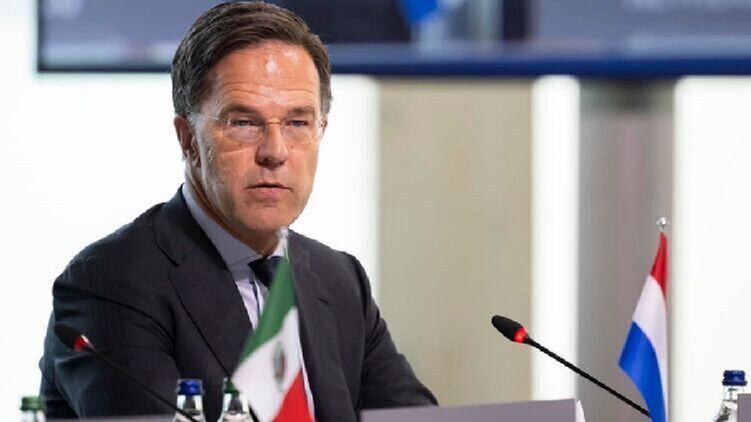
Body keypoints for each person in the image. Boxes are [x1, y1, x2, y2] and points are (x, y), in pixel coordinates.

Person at [38, 2, 437, 420]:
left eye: (297, 123)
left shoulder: (340, 280)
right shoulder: (112, 281)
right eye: (244, 122)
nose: (275, 152)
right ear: (188, 139)